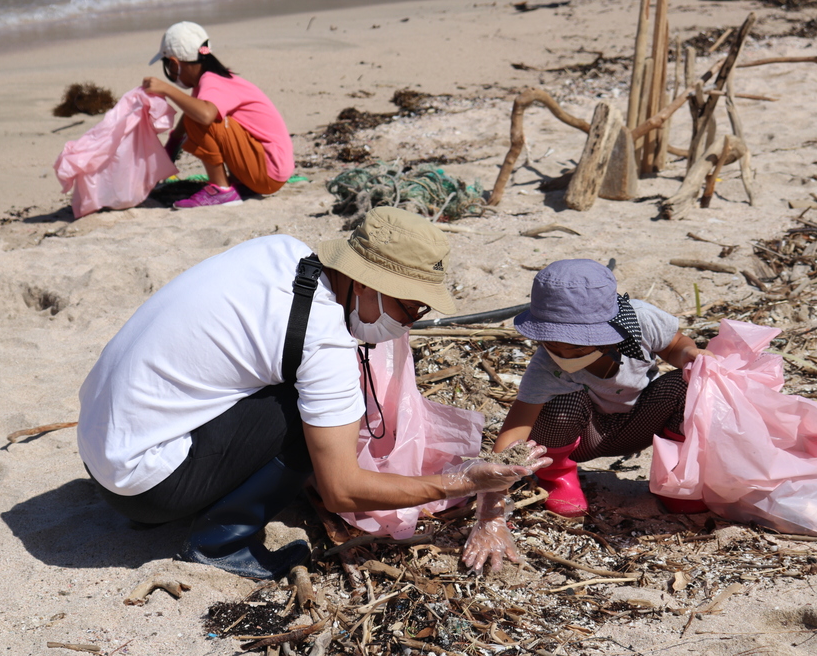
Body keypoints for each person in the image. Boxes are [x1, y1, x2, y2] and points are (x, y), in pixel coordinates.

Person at [76, 207, 551, 580]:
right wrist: (467, 481)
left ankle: (196, 497)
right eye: (411, 307)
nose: (411, 323)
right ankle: (221, 542)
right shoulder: (321, 336)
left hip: (101, 450)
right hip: (142, 489)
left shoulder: (283, 251)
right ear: (368, 284)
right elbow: (342, 491)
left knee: (295, 391)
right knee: (310, 420)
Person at [462, 259, 714, 571]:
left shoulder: (639, 320)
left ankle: (675, 478)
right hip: (586, 436)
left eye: (578, 348)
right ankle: (559, 477)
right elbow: (514, 432)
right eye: (553, 344)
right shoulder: (546, 369)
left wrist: (689, 355)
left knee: (685, 383)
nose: (564, 355)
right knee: (560, 405)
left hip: (643, 422)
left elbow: (675, 345)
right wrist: (490, 509)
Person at [140, 21, 294, 209]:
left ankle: (221, 190)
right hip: (268, 170)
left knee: (203, 116)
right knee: (195, 111)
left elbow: (204, 116)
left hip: (268, 171)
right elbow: (187, 120)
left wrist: (168, 90)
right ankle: (237, 186)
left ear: (174, 64)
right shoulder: (210, 81)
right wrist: (168, 154)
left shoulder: (213, 82)